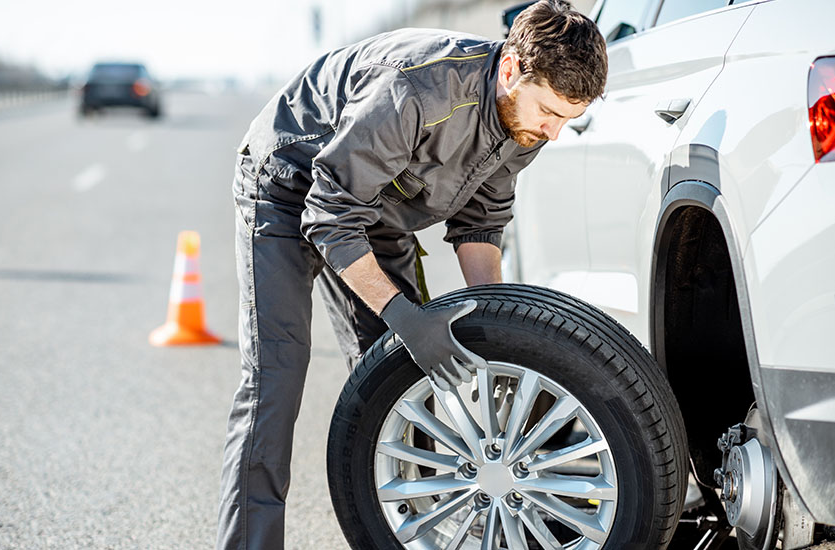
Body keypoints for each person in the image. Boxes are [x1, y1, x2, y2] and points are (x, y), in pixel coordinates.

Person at [217, 1, 608, 548]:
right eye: (549, 111)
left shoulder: (526, 124)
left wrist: (499, 331)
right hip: (287, 186)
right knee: (276, 381)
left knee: (395, 383)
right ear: (512, 70)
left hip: (376, 211)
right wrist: (405, 316)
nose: (555, 131)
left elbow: (480, 222)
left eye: (569, 118)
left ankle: (404, 534)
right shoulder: (417, 91)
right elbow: (330, 215)